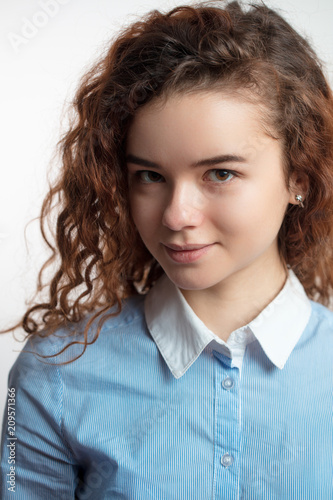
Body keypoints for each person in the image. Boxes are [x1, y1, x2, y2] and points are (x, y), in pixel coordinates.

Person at [1, 0, 333, 498]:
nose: (177, 215)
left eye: (220, 173)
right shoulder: (55, 375)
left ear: (298, 179)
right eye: (150, 177)